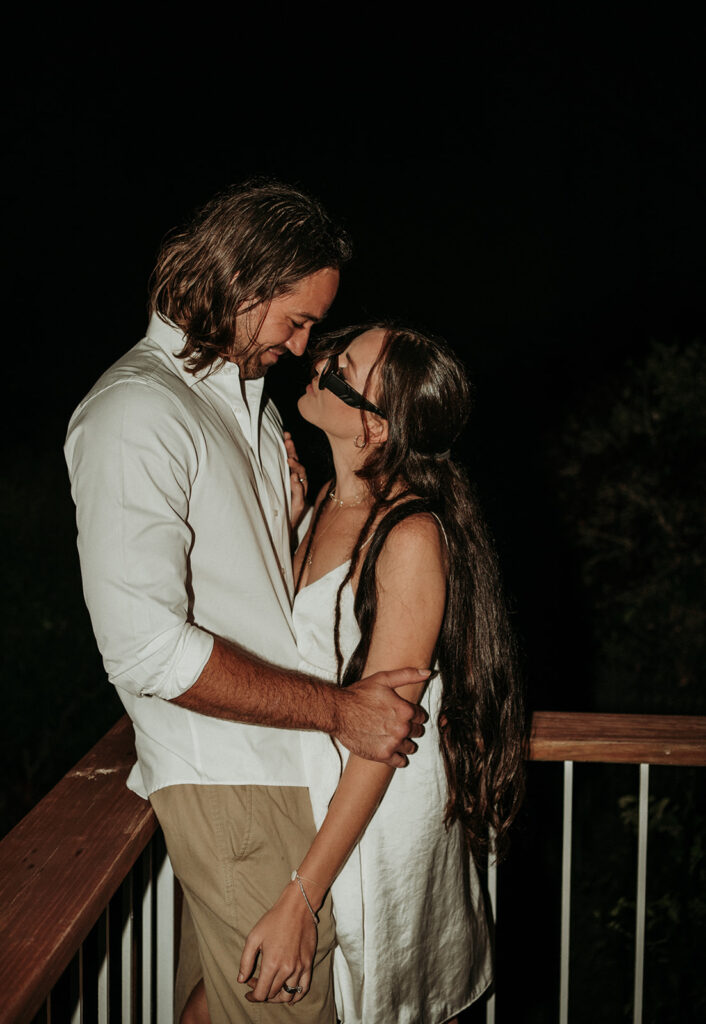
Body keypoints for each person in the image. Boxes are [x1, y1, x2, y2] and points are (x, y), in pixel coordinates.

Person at [64, 185, 428, 1024]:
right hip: (233, 778)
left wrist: (292, 523)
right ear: (241, 282)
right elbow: (147, 649)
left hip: (283, 772)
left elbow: (250, 596)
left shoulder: (246, 410)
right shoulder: (135, 412)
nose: (304, 348)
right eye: (296, 321)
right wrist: (341, 710)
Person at [235, 324, 526, 1024]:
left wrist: (301, 898)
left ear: (373, 427)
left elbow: (380, 739)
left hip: (375, 822)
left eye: (344, 364)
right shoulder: (329, 509)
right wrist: (290, 526)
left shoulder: (411, 537)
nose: (320, 360)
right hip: (317, 806)